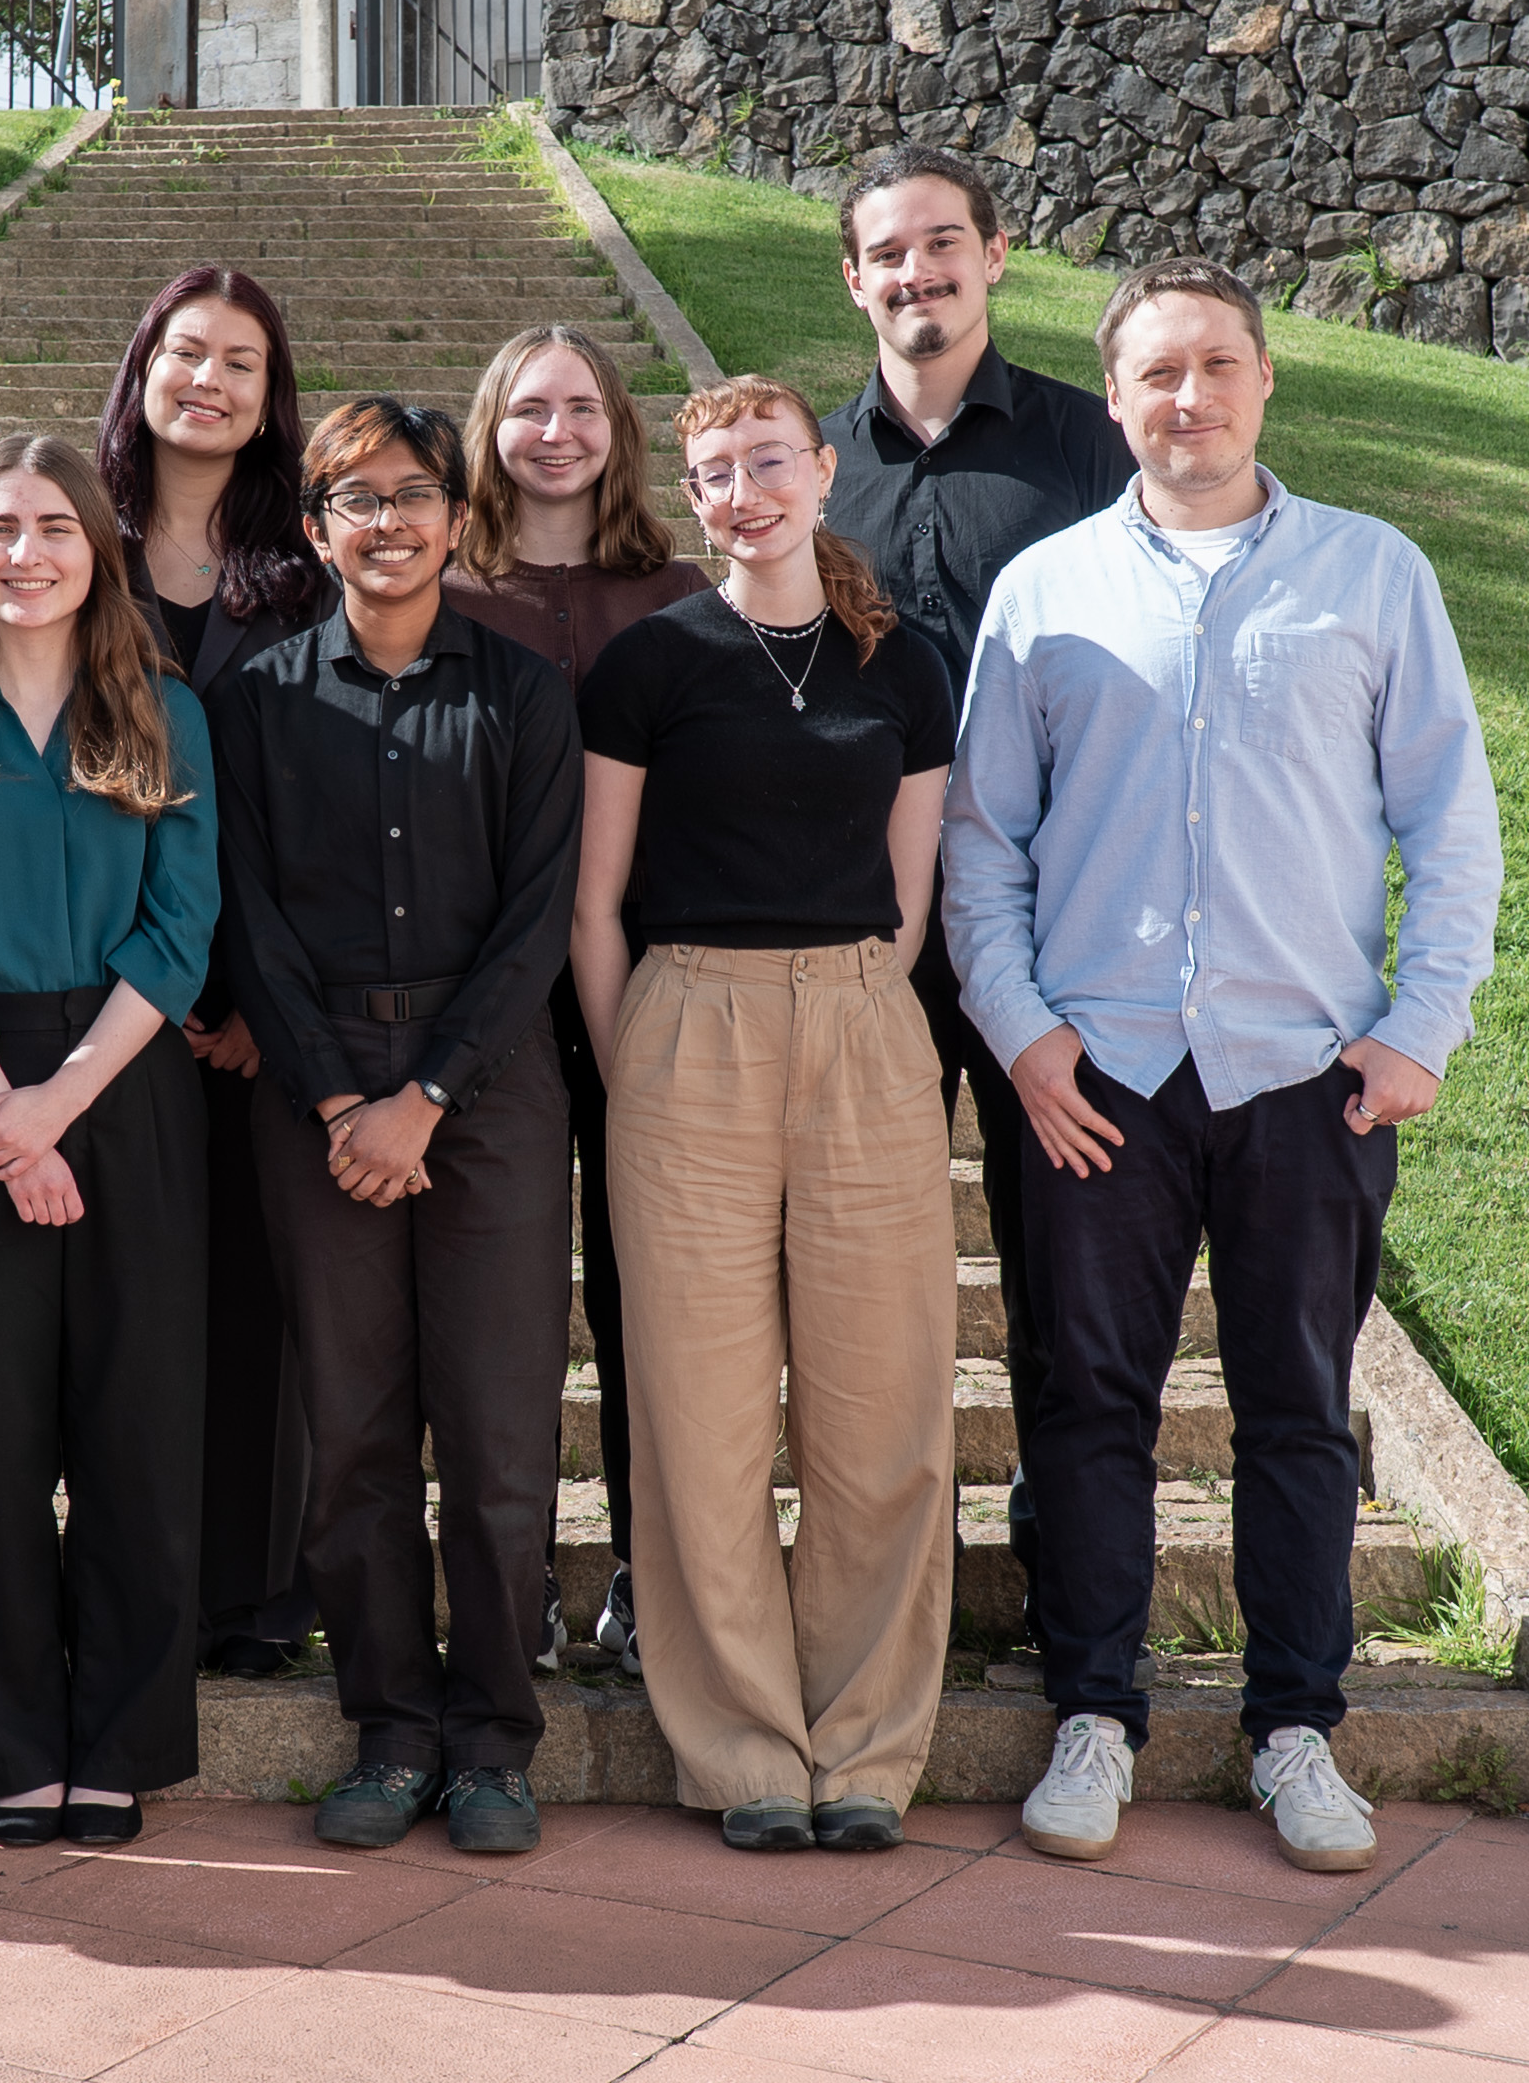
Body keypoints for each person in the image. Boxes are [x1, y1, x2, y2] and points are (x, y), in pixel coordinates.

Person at [941, 258, 1501, 1877]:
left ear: (1264, 380)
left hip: (1303, 1077)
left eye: (1216, 366)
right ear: (1113, 397)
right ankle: (1094, 1712)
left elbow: (1448, 818)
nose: (1187, 397)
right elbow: (982, 845)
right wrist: (1024, 1032)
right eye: (1156, 373)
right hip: (1100, 1076)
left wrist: (1421, 1025)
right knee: (1088, 1405)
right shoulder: (1046, 590)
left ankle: (1296, 1728)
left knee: (1297, 1412)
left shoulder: (1371, 573)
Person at [572, 374, 959, 1856]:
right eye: (719, 472)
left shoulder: (904, 664)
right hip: (686, 1026)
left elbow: (910, 894)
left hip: (863, 1024)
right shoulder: (650, 663)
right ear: (694, 496)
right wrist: (639, 1065)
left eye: (770, 461)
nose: (747, 491)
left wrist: (848, 1016)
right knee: (702, 1413)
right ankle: (741, 1749)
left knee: (882, 1409)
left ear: (822, 470)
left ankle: (865, 1746)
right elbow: (595, 905)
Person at [214, 400, 582, 1857]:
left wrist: (424, 1097)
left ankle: (491, 1740)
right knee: (354, 1429)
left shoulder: (522, 692)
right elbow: (246, 914)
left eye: (413, 493)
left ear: (455, 517)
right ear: (316, 531)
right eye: (354, 499)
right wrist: (336, 1099)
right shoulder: (256, 700)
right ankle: (389, 1726)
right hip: (315, 1091)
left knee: (494, 1433)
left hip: (486, 1089)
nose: (387, 521)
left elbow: (538, 916)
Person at [0, 432, 221, 1849]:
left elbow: (181, 928)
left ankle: (121, 1742)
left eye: (55, 527)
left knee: (139, 1424)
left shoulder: (163, 712)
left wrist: (57, 1106)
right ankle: (10, 1745)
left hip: (125, 1080)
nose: (27, 553)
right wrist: (2, 1122)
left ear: (99, 548)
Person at [816, 144, 1140, 1567]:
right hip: (866, 925)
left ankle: (1067, 1542)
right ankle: (885, 1547)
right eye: (888, 253)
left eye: (941, 242)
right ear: (854, 279)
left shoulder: (1092, 451)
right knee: (865, 1255)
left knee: (1061, 1248)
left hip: (1058, 926)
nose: (918, 272)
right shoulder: (813, 472)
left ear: (995, 255)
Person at [440, 321, 696, 1681]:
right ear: (489, 427)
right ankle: (515, 1576)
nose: (556, 432)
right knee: (510, 1307)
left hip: (658, 984)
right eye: (529, 407)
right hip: (492, 994)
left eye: (582, 406)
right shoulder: (444, 591)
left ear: (619, 428)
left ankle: (658, 1576)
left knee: (655, 1295)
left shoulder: (679, 592)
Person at [97, 265, 327, 1676]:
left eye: (242, 362)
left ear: (269, 396)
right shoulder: (70, 539)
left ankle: (249, 1596)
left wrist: (255, 1006)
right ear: (144, 368)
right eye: (188, 352)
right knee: (122, 1308)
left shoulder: (307, 569)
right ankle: (133, 1586)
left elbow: (323, 799)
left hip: (256, 1005)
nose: (210, 381)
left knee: (253, 1302)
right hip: (86, 993)